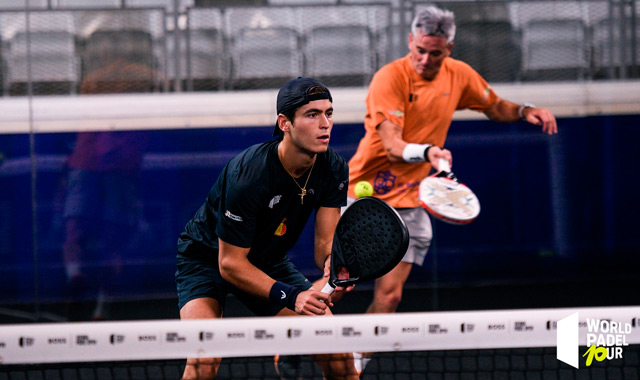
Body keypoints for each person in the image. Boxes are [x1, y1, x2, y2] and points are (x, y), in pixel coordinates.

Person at [347, 5, 558, 316]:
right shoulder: (389, 78)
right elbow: (392, 146)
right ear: (410, 40)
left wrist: (525, 110)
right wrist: (430, 152)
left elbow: (495, 106)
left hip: (412, 198)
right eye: (420, 51)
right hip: (363, 195)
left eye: (435, 54)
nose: (425, 60)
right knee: (337, 285)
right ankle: (294, 342)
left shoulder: (459, 75)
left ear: (449, 48)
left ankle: (355, 365)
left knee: (390, 297)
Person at [175, 77, 358, 380]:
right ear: (285, 123)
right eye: (312, 115)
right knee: (203, 362)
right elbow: (230, 264)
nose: (325, 123)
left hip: (267, 262)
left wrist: (332, 267)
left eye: (329, 113)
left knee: (340, 359)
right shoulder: (249, 174)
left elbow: (325, 243)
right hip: (207, 260)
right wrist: (293, 297)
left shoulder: (333, 167)